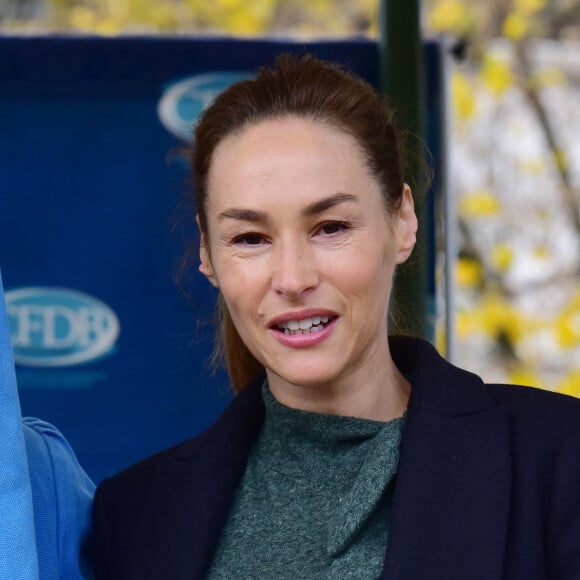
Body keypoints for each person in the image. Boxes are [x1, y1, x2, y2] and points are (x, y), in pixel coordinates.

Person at [92, 54, 580, 580]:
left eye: (330, 227)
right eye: (250, 239)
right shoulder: (133, 516)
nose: (293, 277)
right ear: (208, 255)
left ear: (402, 221)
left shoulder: (557, 458)